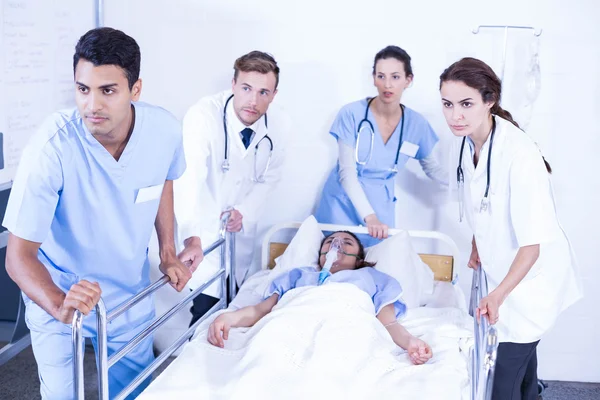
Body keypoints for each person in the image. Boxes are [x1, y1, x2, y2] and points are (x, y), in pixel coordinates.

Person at [3, 27, 203, 399]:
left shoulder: (163, 130)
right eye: (83, 89)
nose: (91, 105)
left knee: (137, 391)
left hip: (127, 293)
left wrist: (168, 252)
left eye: (107, 90)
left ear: (135, 90)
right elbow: (18, 258)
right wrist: (58, 304)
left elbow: (163, 181)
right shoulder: (52, 146)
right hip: (60, 294)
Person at [439, 57, 582, 400]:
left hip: (531, 283)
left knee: (502, 385)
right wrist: (477, 241)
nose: (454, 115)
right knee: (522, 376)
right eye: (447, 104)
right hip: (506, 274)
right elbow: (481, 201)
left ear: (490, 100)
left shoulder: (520, 155)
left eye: (466, 104)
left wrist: (497, 294)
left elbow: (532, 247)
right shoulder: (468, 142)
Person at [173, 51, 285, 326]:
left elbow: (271, 176)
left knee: (234, 309)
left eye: (263, 92)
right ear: (233, 84)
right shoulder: (203, 116)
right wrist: (192, 237)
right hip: (204, 229)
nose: (253, 101)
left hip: (240, 234)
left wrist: (244, 211)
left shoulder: (280, 125)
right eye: (246, 88)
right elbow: (188, 180)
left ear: (274, 94)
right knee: (204, 310)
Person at [207, 230, 433, 366]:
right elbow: (260, 311)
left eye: (347, 243)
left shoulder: (373, 277)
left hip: (347, 328)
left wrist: (411, 342)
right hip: (289, 324)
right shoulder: (298, 275)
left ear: (359, 258)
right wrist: (229, 318)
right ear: (321, 253)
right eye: (330, 241)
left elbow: (389, 323)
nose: (337, 244)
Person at [315, 46, 445, 246]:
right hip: (342, 203)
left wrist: (466, 181)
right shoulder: (351, 114)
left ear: (408, 80)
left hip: (380, 209)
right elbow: (347, 173)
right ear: (373, 78)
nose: (387, 84)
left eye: (395, 77)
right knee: (336, 262)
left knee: (377, 267)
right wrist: (370, 217)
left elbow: (431, 168)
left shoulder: (416, 124)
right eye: (381, 76)